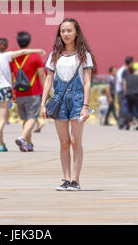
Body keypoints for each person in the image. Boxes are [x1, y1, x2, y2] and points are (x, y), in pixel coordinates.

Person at [41, 18, 95, 191]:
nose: (65, 34)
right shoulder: (54, 54)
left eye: (69, 30)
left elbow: (87, 82)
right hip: (59, 100)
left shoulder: (84, 55)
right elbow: (49, 79)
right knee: (64, 142)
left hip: (78, 100)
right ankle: (65, 179)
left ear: (76, 32)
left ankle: (75, 180)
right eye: (62, 31)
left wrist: (85, 106)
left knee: (75, 141)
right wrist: (43, 104)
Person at [0, 37, 45, 152]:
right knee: (3, 119)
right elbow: (23, 52)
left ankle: (2, 144)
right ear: (6, 46)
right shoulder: (8, 56)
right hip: (4, 89)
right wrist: (37, 50)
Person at [10, 31, 46, 152]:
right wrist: (46, 89)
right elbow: (41, 75)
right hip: (32, 92)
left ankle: (28, 144)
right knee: (33, 117)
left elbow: (11, 77)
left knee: (26, 119)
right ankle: (22, 137)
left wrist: (12, 92)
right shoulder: (35, 56)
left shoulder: (13, 58)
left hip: (19, 93)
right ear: (29, 41)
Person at [116, 57, 134, 129]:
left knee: (125, 107)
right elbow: (122, 82)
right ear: (130, 63)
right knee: (123, 108)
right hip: (122, 91)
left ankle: (124, 124)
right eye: (132, 63)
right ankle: (121, 124)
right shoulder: (123, 71)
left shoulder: (125, 70)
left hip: (124, 91)